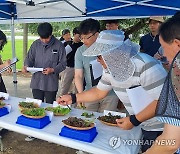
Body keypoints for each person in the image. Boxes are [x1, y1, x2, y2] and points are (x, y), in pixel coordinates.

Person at [57, 30, 167, 152]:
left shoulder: (146, 65)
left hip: (161, 126)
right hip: (143, 123)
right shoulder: (110, 69)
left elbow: (162, 100)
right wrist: (73, 98)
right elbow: (99, 92)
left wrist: (134, 120)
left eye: (99, 56)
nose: (97, 60)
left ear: (113, 54)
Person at [144, 12, 180, 154]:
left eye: (164, 47)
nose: (164, 54)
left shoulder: (177, 76)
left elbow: (170, 143)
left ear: (177, 44)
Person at [74, 19, 119, 112]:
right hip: (90, 92)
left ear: (97, 35)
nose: (84, 41)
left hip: (110, 94)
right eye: (82, 38)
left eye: (87, 37)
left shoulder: (110, 48)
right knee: (86, 121)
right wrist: (81, 94)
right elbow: (78, 75)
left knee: (106, 123)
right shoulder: (80, 51)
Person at [22, 22, 66, 104]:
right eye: (42, 38)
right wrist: (26, 66)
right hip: (37, 82)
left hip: (51, 83)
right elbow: (29, 58)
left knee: (49, 106)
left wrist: (53, 70)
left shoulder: (59, 45)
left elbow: (63, 64)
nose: (44, 41)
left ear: (51, 34)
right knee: (37, 105)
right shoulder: (35, 44)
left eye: (46, 38)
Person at [60, 27, 83, 95]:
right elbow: (62, 56)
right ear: (74, 34)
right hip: (69, 68)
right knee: (65, 86)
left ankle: (75, 104)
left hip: (79, 68)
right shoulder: (68, 44)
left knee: (77, 88)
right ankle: (61, 101)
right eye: (79, 36)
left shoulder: (82, 45)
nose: (80, 38)